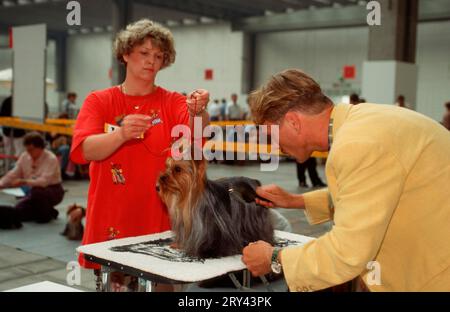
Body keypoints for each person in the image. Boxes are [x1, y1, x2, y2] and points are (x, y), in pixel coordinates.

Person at [242, 69, 450, 292]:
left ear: (293, 122)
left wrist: (274, 258)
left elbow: (347, 254)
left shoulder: (357, 144)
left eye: (271, 134)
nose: (275, 147)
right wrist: (295, 201)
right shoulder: (363, 121)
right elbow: (369, 197)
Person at [70, 19, 210, 291]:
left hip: (161, 216)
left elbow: (196, 138)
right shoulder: (99, 100)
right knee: (116, 286)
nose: (151, 61)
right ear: (125, 54)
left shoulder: (173, 102)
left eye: (159, 56)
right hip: (112, 218)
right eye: (144, 53)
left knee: (164, 287)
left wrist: (198, 111)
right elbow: (83, 150)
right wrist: (119, 135)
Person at [0, 132, 64, 224]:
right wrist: (1, 183)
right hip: (33, 190)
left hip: (53, 190)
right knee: (18, 210)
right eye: (27, 149)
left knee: (37, 193)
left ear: (40, 147)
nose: (28, 152)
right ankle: (49, 211)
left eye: (31, 149)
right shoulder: (25, 156)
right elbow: (13, 174)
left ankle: (45, 214)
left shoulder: (51, 158)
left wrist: (23, 181)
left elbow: (44, 182)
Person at [0, 96, 26, 169]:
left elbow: (1, 115)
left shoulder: (7, 100)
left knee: (8, 153)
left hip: (7, 131)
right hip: (18, 132)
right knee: (19, 153)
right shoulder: (23, 101)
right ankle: (16, 170)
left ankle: (8, 169)